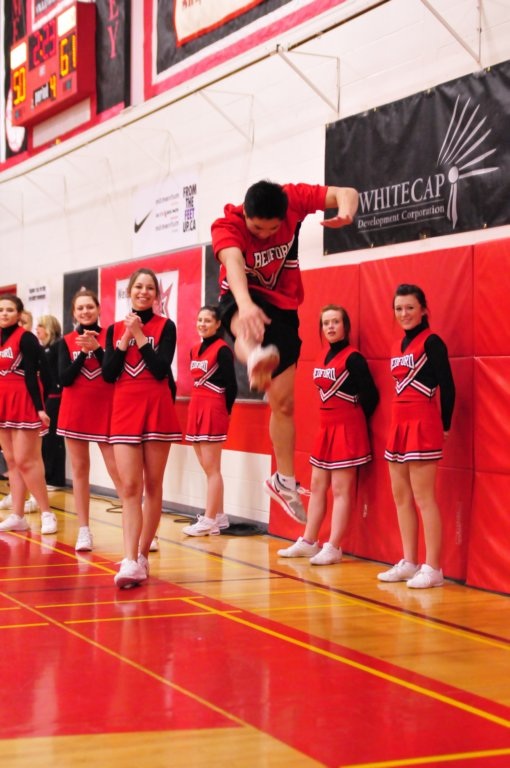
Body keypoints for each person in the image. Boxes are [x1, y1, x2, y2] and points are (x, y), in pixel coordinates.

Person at [211, 180, 358, 524]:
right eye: (257, 229)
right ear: (245, 214)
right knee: (243, 324)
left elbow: (346, 193)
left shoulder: (294, 199)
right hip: (241, 294)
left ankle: (284, 481)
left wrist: (346, 211)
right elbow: (233, 263)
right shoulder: (228, 225)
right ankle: (254, 356)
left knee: (285, 403)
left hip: (284, 306)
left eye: (272, 229)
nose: (264, 235)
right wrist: (245, 303)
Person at [278, 304, 379, 564]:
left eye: (335, 322)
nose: (331, 327)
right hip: (325, 429)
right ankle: (309, 541)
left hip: (347, 428)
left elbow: (371, 396)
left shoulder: (353, 358)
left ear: (346, 326)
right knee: (317, 486)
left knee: (341, 489)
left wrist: (352, 418)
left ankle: (334, 546)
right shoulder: (322, 356)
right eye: (326, 323)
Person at [102, 268, 181, 588]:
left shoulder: (167, 326)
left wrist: (139, 335)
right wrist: (125, 336)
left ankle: (142, 554)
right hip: (124, 411)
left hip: (156, 409)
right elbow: (109, 374)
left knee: (153, 485)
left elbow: (161, 369)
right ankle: (129, 559)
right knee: (130, 487)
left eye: (150, 288)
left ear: (157, 295)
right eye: (138, 287)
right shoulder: (112, 330)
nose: (144, 292)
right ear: (129, 292)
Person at [377, 284, 455, 589]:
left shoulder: (432, 342)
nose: (404, 313)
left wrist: (444, 424)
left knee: (424, 497)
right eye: (398, 308)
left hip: (423, 423)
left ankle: (433, 567)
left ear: (423, 309)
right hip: (398, 425)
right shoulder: (396, 345)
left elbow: (448, 385)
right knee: (401, 497)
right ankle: (409, 562)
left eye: (410, 307)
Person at [57, 289, 122, 551]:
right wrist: (84, 353)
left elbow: (112, 372)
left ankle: (140, 529)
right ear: (74, 313)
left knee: (118, 470)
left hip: (106, 409)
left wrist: (97, 349)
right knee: (80, 470)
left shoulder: (111, 335)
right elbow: (64, 379)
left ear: (98, 309)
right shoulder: (66, 341)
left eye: (89, 307)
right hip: (75, 411)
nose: (85, 311)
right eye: (80, 308)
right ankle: (84, 530)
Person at [0, 294, 58, 535]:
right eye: (1, 310)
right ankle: (17, 515)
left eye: (9, 310)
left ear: (19, 314)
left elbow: (36, 373)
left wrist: (40, 407)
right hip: (3, 402)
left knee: (27, 460)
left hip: (24, 400)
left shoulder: (26, 338)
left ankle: (47, 512)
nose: (4, 313)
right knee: (12, 461)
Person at [182, 305, 237, 536]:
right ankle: (220, 516)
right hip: (196, 406)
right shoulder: (194, 350)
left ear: (217, 325)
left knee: (213, 469)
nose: (202, 324)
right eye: (200, 320)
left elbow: (232, 385)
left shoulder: (223, 350)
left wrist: (225, 411)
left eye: (207, 321)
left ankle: (209, 520)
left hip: (214, 407)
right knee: (208, 468)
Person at [36, 314, 66, 488]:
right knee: (47, 438)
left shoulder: (58, 346)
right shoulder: (45, 348)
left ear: (48, 328)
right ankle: (48, 476)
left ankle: (55, 478)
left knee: (52, 438)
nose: (37, 329)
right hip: (47, 396)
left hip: (55, 397)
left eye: (40, 326)